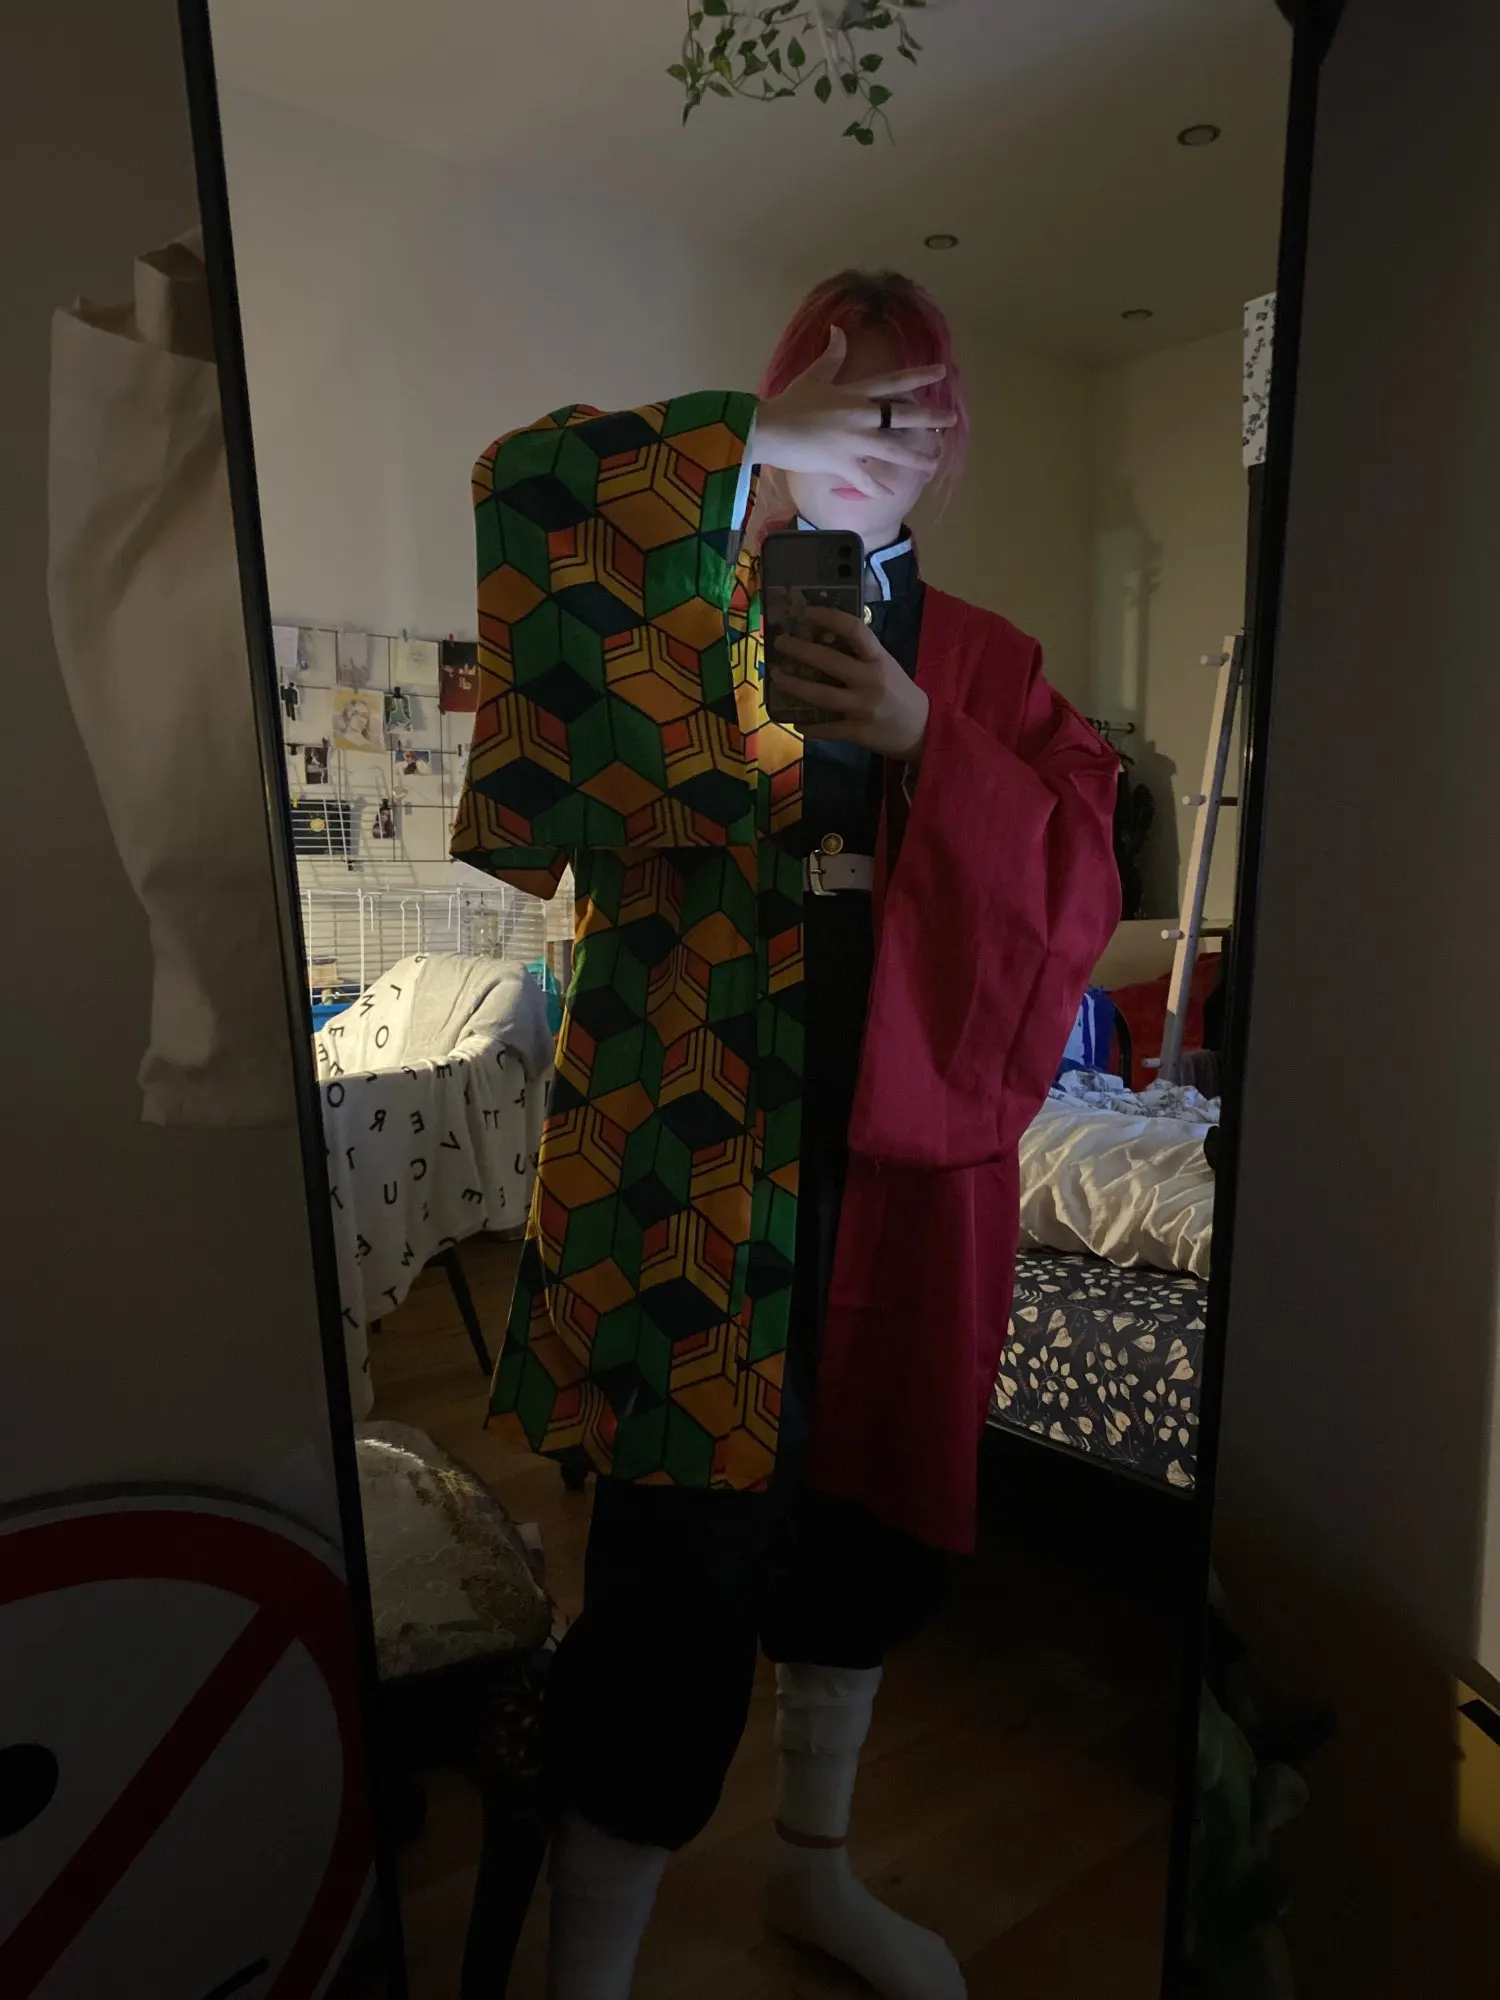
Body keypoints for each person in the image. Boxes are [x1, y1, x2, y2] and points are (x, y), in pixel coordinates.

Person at [452, 270, 1121, 2000]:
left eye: (905, 409)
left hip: (899, 1185)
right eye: (828, 396)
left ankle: (814, 1877)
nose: (869, 436)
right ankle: (590, 1969)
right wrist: (745, 441)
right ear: (772, 411)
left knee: (864, 1542)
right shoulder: (674, 598)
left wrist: (928, 742)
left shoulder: (991, 666)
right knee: (668, 1582)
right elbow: (526, 492)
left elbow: (1080, 881)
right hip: (695, 1165)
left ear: (949, 445)